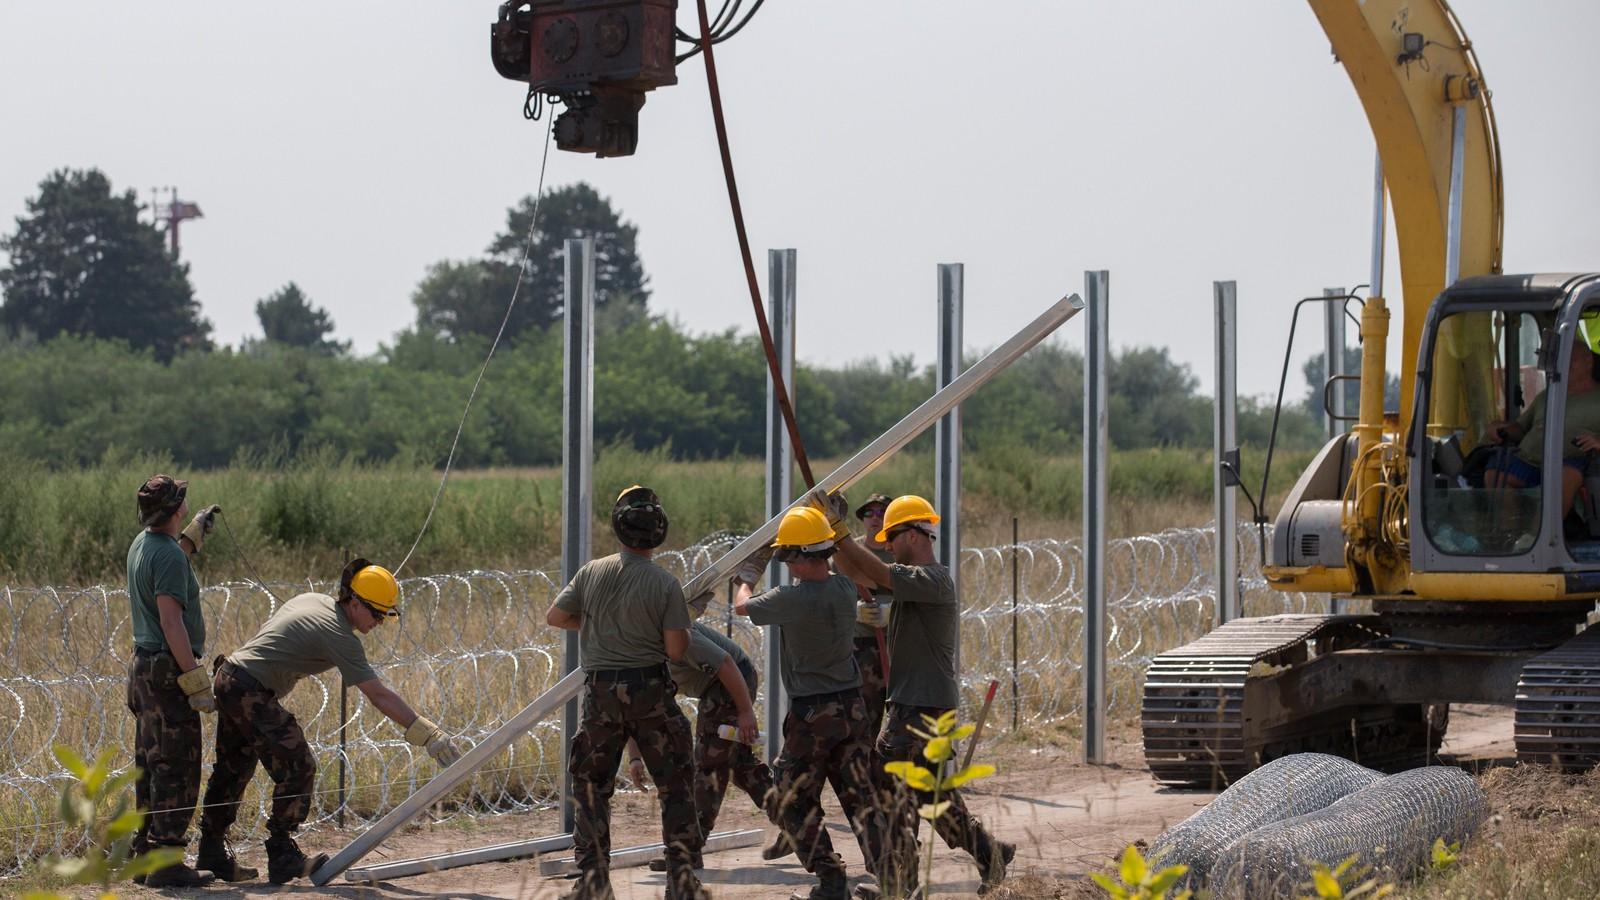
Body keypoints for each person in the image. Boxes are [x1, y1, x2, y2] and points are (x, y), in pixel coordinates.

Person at [198, 558, 464, 885]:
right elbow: (378, 695)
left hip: (230, 678)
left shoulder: (315, 601)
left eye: (385, 615)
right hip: (248, 689)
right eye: (377, 613)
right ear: (354, 603)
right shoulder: (339, 634)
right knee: (298, 764)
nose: (380, 622)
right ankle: (281, 851)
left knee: (233, 768)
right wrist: (428, 734)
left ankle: (211, 850)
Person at [833, 494, 1015, 896]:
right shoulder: (911, 579)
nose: (887, 543)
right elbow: (855, 571)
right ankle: (990, 854)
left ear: (914, 534)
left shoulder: (932, 580)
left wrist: (842, 533)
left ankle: (901, 885)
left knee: (889, 782)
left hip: (921, 704)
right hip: (916, 702)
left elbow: (874, 569)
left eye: (893, 536)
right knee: (928, 793)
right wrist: (833, 537)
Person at [546, 485, 707, 900]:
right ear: (658, 533)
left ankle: (594, 883)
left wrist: (602, 629)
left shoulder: (591, 572)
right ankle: (683, 882)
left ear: (618, 529)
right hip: (649, 689)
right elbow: (675, 649)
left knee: (592, 786)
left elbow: (557, 615)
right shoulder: (665, 583)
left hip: (601, 693)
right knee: (674, 785)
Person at [733, 505, 890, 900]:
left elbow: (741, 606)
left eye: (789, 556)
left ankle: (830, 876)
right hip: (852, 708)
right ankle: (895, 876)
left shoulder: (790, 599)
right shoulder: (842, 588)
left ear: (804, 557)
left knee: (789, 793)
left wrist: (747, 575)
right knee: (859, 796)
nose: (786, 564)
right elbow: (844, 564)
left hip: (812, 714)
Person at [125, 474, 227, 887]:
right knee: (177, 765)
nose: (187, 502)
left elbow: (167, 558)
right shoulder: (167, 555)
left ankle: (146, 854)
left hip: (143, 667)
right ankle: (166, 861)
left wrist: (190, 540)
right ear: (174, 509)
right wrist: (194, 677)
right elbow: (171, 620)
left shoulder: (146, 544)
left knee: (150, 762)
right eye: (182, 499)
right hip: (167, 670)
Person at [640, 621, 772, 873]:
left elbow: (726, 664)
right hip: (717, 687)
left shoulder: (673, 632)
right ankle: (796, 821)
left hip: (729, 683)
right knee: (738, 766)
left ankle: (688, 851)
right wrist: (635, 758)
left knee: (709, 767)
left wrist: (745, 712)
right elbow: (640, 704)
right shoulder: (634, 646)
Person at [1486, 337, 1600, 519]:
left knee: (1566, 478)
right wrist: (1500, 429)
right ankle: (1510, 537)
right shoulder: (1547, 396)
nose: (1565, 363)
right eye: (1562, 359)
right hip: (1530, 460)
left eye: (1571, 359)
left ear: (1589, 361)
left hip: (1571, 461)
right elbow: (1521, 428)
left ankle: (1540, 539)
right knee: (1495, 474)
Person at [848, 494, 895, 741]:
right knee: (866, 715)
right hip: (862, 646)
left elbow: (921, 592)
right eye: (870, 513)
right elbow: (831, 592)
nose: (875, 518)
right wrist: (852, 610)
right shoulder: (849, 552)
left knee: (901, 717)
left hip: (897, 643)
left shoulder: (900, 553)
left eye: (882, 512)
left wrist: (892, 609)